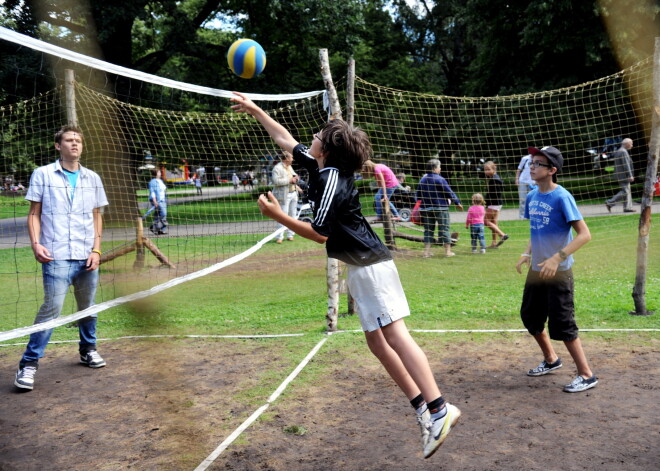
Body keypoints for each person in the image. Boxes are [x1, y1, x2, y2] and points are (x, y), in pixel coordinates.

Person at [230, 91, 460, 458]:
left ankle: (439, 407)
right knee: (376, 341)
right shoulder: (321, 166)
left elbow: (320, 233)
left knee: (396, 336)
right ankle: (422, 408)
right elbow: (284, 139)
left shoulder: (333, 180)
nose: (312, 139)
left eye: (318, 135)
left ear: (327, 148)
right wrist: (256, 110)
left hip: (371, 267)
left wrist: (278, 217)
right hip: (362, 266)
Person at [14, 125, 109, 391]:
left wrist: (96, 250)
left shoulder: (92, 177)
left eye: (78, 140)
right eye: (69, 140)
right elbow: (34, 213)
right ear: (59, 146)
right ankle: (28, 364)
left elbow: (96, 216)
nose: (74, 144)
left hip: (86, 255)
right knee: (51, 310)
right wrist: (36, 244)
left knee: (87, 308)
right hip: (55, 255)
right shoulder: (42, 174)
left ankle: (87, 350)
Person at [516, 146, 598, 393]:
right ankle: (552, 359)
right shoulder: (532, 196)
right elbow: (537, 230)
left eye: (538, 164)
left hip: (558, 271)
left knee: (563, 325)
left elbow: (585, 235)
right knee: (530, 317)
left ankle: (586, 375)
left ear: (552, 170)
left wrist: (556, 258)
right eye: (531, 162)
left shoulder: (562, 197)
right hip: (537, 269)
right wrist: (526, 253)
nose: (532, 167)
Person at [416, 159, 463, 258]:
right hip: (440, 208)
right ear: (434, 168)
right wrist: (457, 202)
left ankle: (426, 253)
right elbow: (449, 192)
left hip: (426, 209)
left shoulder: (422, 180)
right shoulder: (440, 179)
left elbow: (418, 196)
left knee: (428, 230)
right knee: (444, 229)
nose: (440, 168)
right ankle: (448, 252)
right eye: (439, 167)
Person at [271, 150, 300, 243]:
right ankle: (279, 237)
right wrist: (290, 180)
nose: (293, 159)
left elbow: (293, 176)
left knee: (293, 215)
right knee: (283, 216)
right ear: (286, 158)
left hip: (293, 193)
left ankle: (290, 235)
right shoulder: (277, 168)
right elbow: (276, 181)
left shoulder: (289, 167)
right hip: (284, 195)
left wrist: (296, 178)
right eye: (291, 157)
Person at [605, 138, 635, 213]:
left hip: (621, 175)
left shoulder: (620, 151)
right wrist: (630, 175)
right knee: (625, 191)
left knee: (627, 191)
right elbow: (626, 165)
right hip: (623, 175)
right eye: (631, 143)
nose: (632, 145)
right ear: (627, 144)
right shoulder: (623, 152)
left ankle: (627, 207)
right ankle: (610, 202)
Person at [483, 161, 508, 248]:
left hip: (494, 204)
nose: (486, 171)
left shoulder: (494, 180)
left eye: (488, 169)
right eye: (485, 170)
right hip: (497, 203)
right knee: (493, 222)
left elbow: (495, 193)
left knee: (485, 221)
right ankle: (494, 243)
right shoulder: (494, 178)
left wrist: (487, 202)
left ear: (494, 169)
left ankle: (502, 234)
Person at [143, 168, 168, 235]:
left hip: (163, 200)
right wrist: (155, 201)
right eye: (159, 172)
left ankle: (161, 230)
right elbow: (152, 192)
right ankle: (154, 227)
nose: (160, 173)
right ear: (155, 173)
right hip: (158, 200)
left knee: (158, 214)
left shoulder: (160, 181)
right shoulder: (153, 182)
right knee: (163, 213)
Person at [515, 153, 534, 219]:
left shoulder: (538, 158)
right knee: (523, 200)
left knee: (532, 200)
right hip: (522, 181)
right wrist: (517, 179)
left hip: (533, 182)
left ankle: (531, 215)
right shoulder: (525, 158)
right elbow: (519, 169)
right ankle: (522, 217)